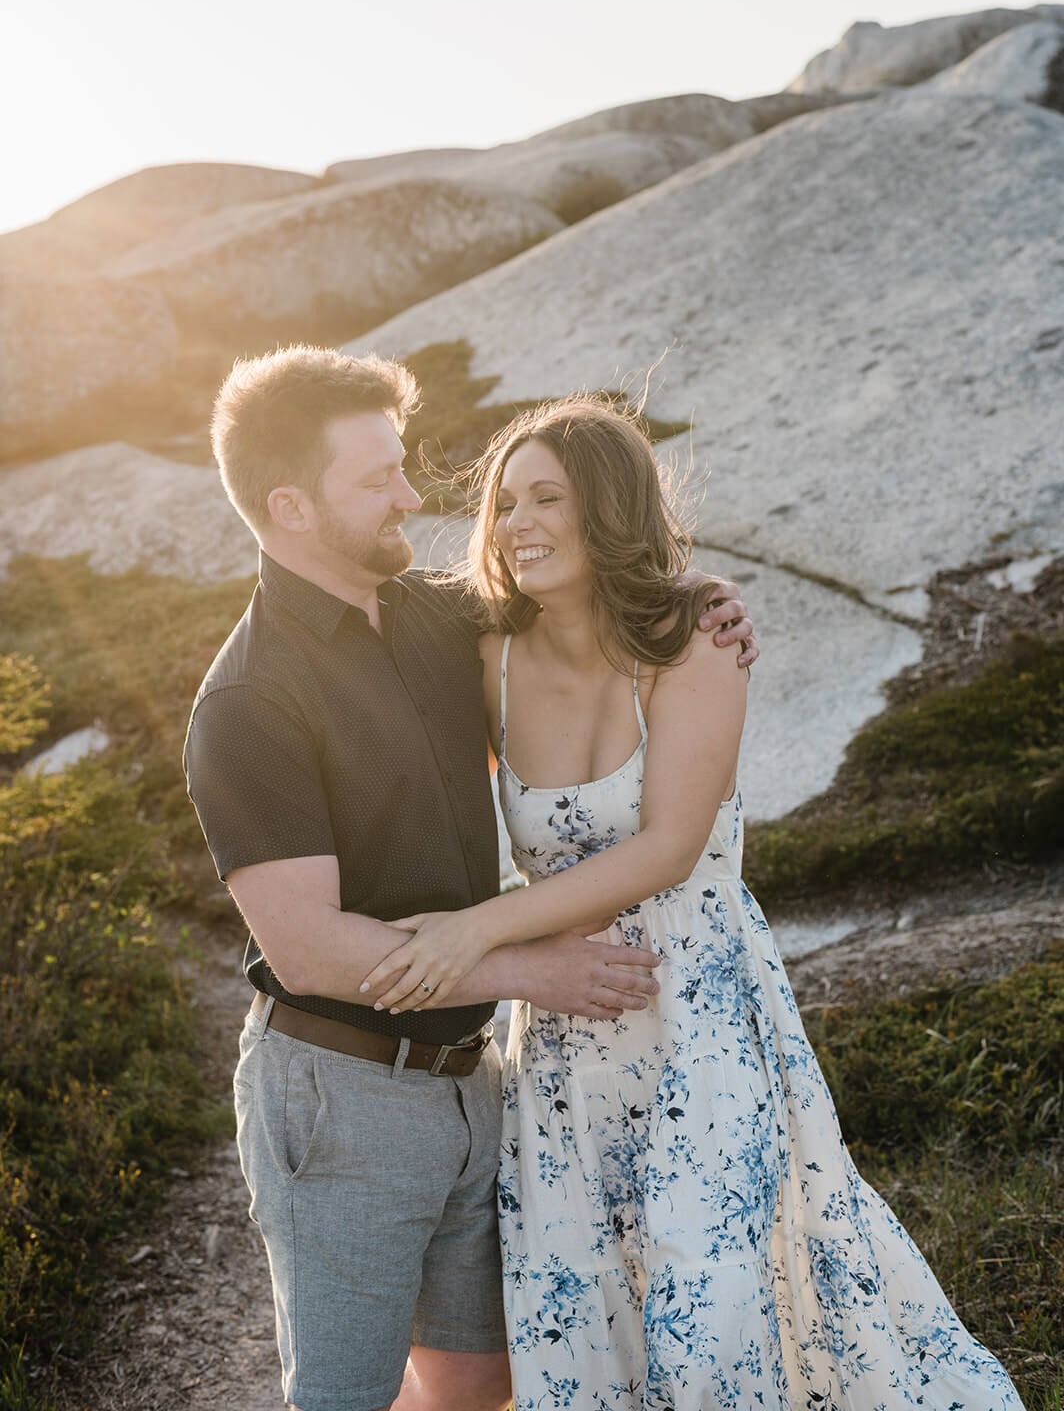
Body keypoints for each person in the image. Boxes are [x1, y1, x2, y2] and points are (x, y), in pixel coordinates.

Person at [362, 396, 1025, 1411]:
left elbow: (668, 847)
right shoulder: (485, 656)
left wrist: (476, 928)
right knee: (584, 1295)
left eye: (549, 499)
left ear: (609, 510)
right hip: (568, 1040)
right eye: (504, 503)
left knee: (709, 1298)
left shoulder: (695, 642)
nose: (516, 524)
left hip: (699, 1010)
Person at [183, 346, 758, 1411]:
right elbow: (306, 945)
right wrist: (528, 968)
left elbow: (575, 589)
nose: (413, 495)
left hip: (471, 1079)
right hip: (339, 1090)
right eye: (378, 480)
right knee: (345, 1393)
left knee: (482, 1375)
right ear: (289, 506)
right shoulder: (247, 702)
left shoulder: (433, 617)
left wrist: (695, 594)